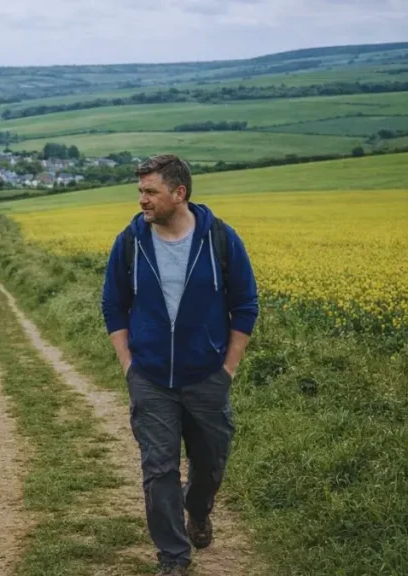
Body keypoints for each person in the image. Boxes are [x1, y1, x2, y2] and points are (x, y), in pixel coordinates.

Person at [101, 154, 259, 576]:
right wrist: (129, 366)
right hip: (151, 378)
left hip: (207, 377)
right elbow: (113, 306)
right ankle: (173, 556)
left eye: (150, 191)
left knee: (209, 465)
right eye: (140, 191)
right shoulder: (131, 242)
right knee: (159, 469)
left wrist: (227, 370)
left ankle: (198, 508)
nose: (142, 200)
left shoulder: (220, 238)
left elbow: (245, 306)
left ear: (179, 193)